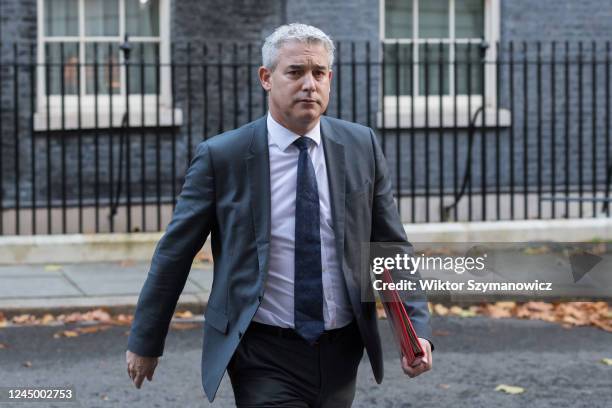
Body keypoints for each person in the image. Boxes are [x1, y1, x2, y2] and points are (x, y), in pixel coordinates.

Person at [126, 23, 433, 407]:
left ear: (330, 79)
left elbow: (389, 246)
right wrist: (146, 339)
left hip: (341, 350)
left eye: (319, 73)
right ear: (266, 78)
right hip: (262, 352)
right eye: (296, 72)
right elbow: (175, 252)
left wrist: (415, 329)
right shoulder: (224, 156)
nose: (309, 84)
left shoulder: (361, 145)